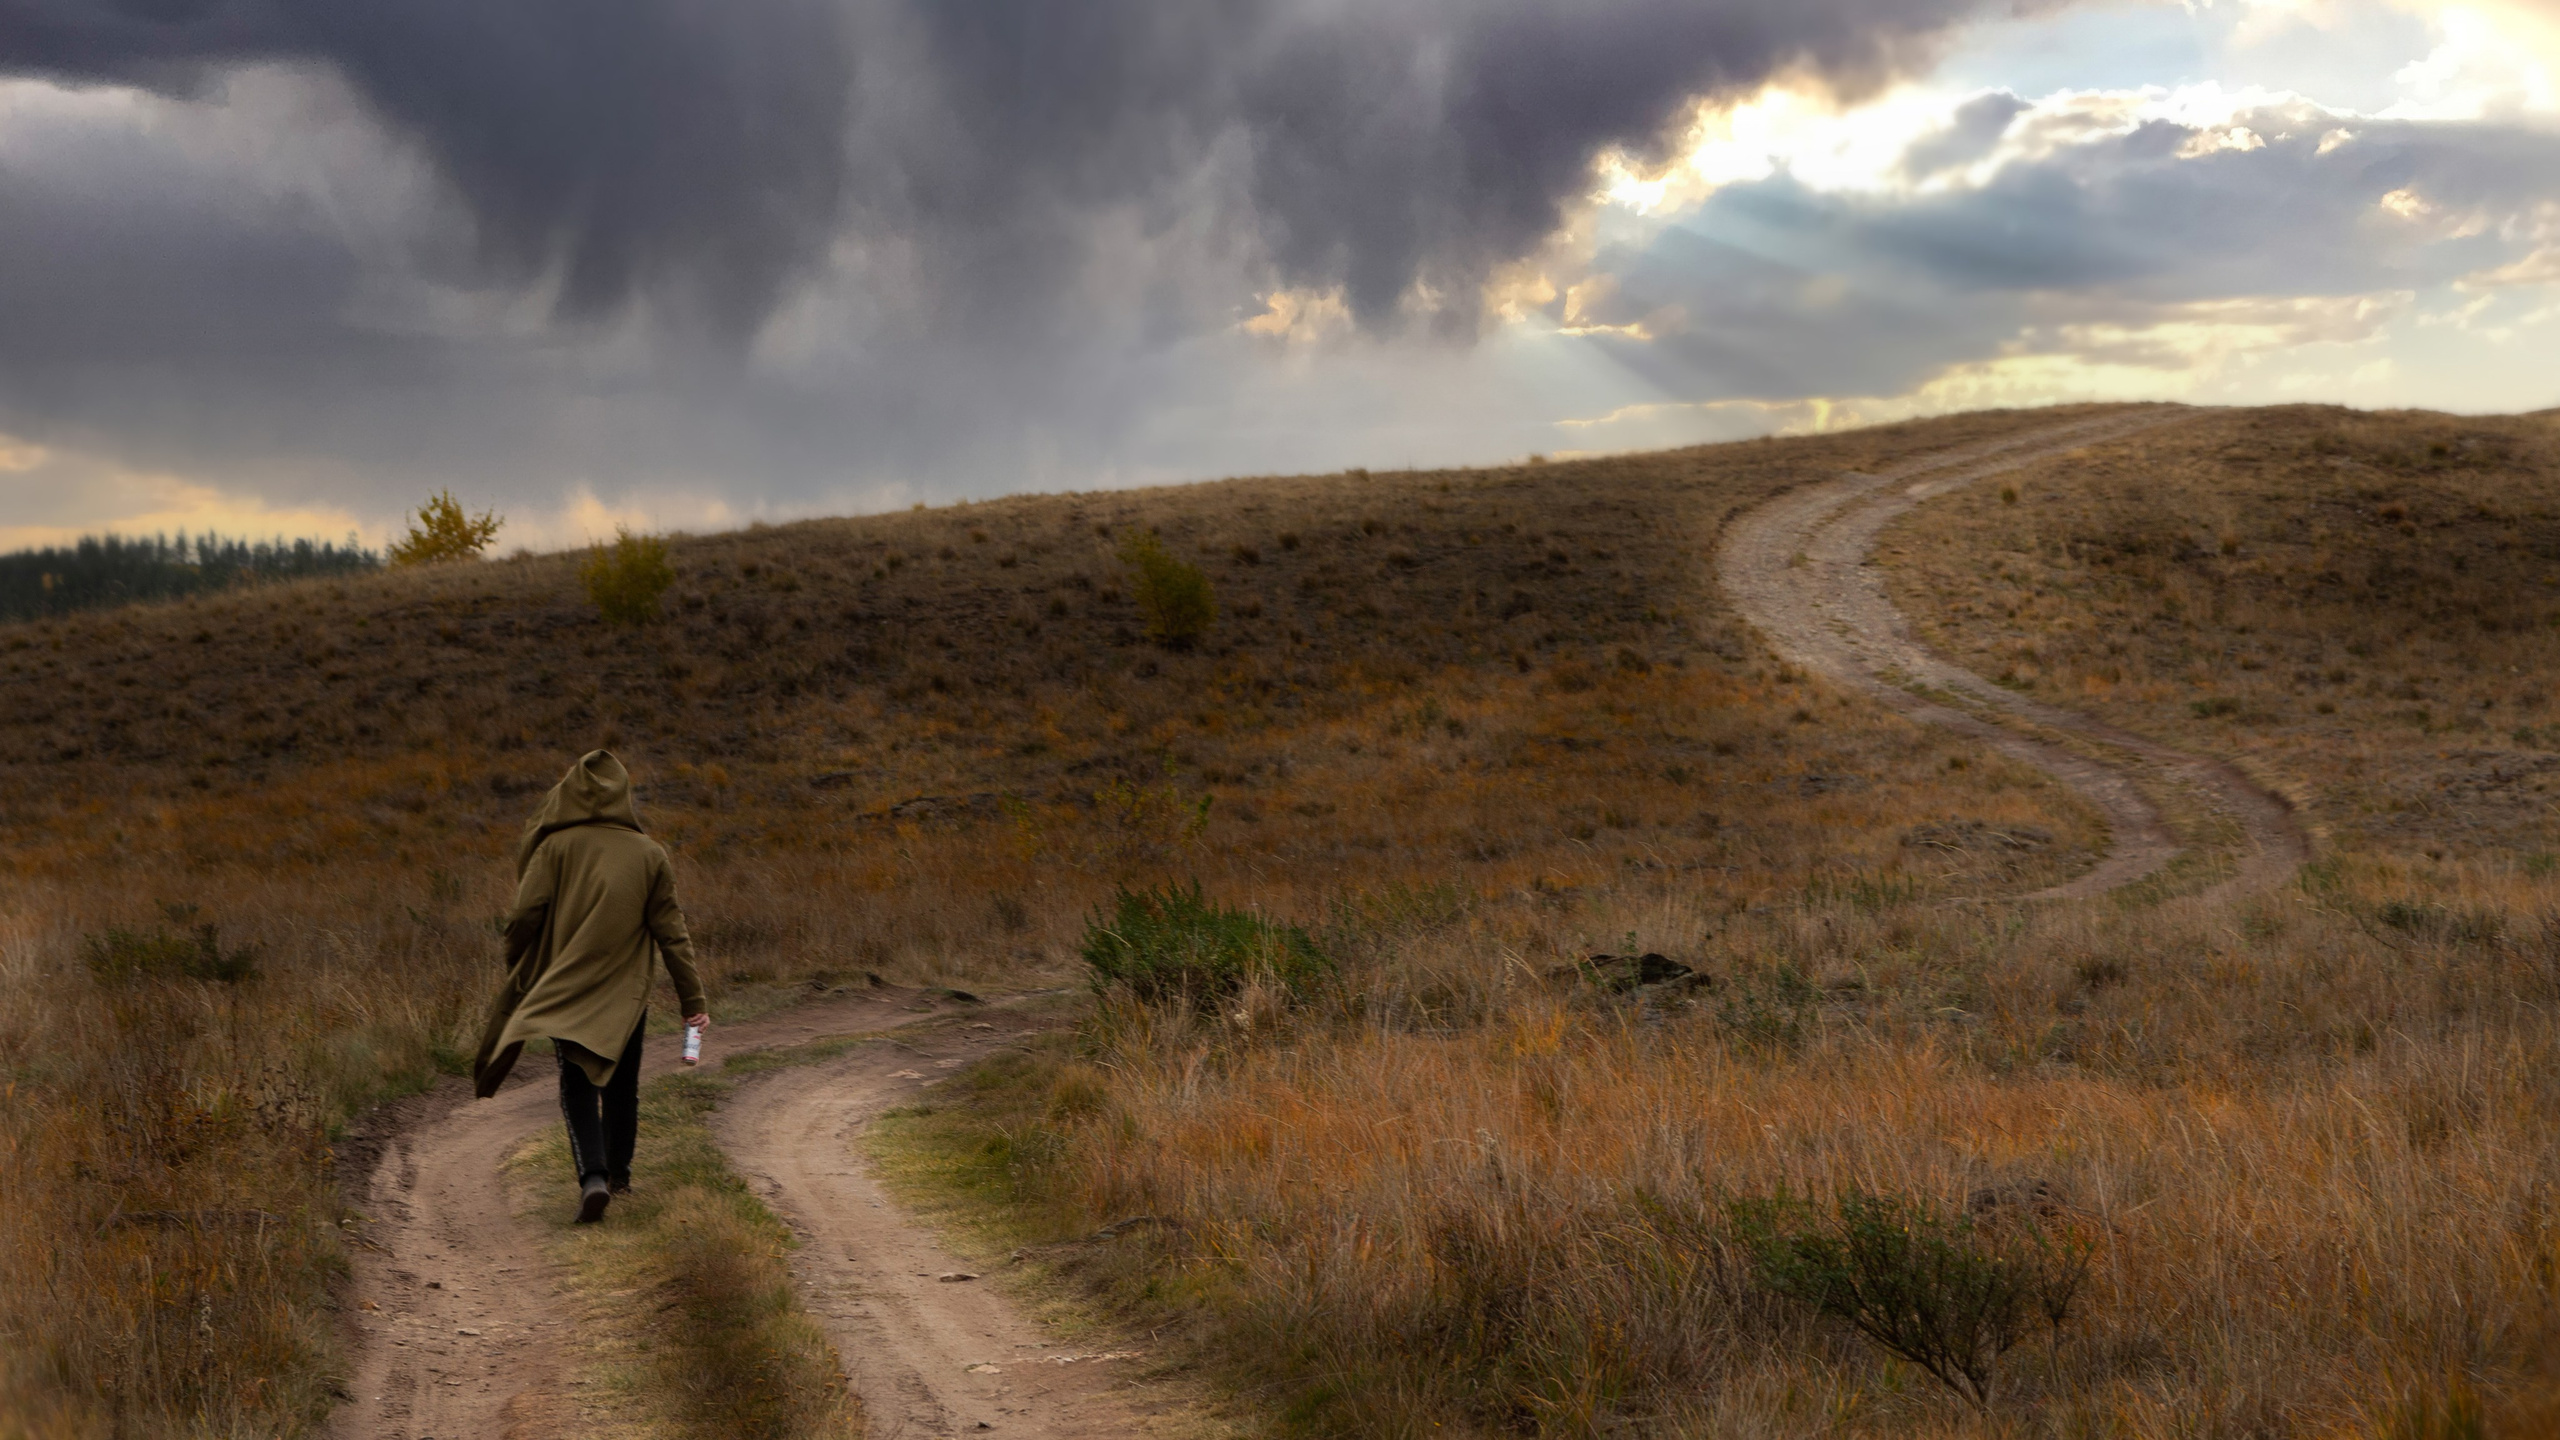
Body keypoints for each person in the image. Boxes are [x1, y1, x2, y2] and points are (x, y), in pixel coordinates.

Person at [471, 750, 710, 1223]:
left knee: (576, 1081)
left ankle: (593, 1178)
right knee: (623, 1085)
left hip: (567, 985)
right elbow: (672, 934)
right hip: (627, 993)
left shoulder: (553, 849)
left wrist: (521, 965)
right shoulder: (649, 854)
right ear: (623, 792)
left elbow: (523, 916)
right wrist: (693, 1001)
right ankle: (619, 1177)